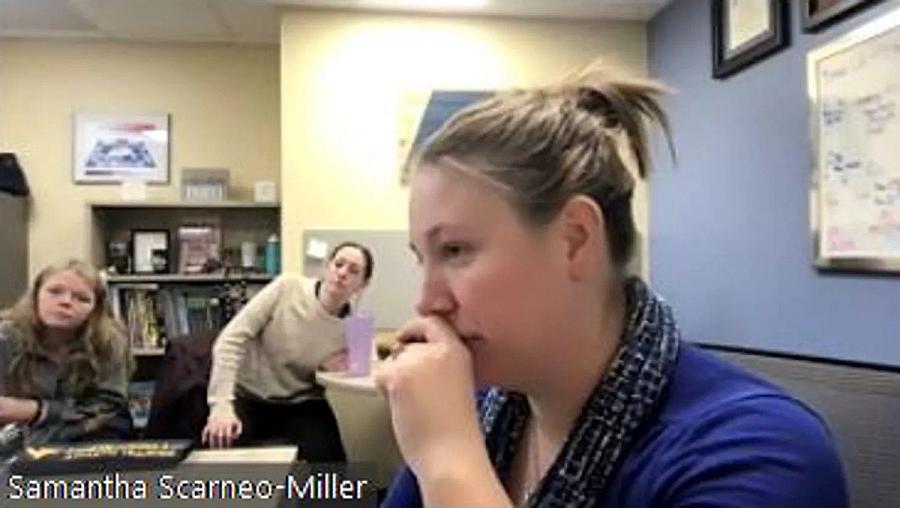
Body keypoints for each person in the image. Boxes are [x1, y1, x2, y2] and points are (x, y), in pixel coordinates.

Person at [376, 65, 848, 507]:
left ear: (575, 239)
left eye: (455, 250)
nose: (427, 302)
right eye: (423, 259)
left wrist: (449, 464)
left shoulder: (760, 451)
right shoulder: (475, 412)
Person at [202, 241, 374, 462]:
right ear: (326, 267)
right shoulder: (287, 287)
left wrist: (332, 367)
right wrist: (221, 406)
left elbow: (368, 369)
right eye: (338, 264)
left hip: (300, 402)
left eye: (354, 271)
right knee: (221, 456)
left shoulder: (355, 325)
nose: (342, 273)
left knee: (332, 467)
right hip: (250, 395)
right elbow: (230, 341)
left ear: (362, 284)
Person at [0, 259, 133, 451]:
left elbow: (107, 409)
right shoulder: (5, 337)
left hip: (82, 443)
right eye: (54, 292)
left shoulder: (109, 343)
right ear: (36, 296)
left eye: (81, 298)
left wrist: (36, 410)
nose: (65, 302)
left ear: (95, 309)